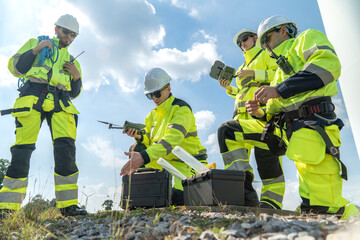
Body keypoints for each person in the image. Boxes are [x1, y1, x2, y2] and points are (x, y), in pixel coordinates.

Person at [222, 15, 359, 219]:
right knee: (229, 131)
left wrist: (279, 89)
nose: (265, 47)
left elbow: (328, 65)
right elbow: (275, 105)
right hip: (289, 133)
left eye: (266, 40)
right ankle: (245, 199)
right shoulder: (278, 70)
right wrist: (260, 111)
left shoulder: (306, 38)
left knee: (325, 210)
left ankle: (353, 217)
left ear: (282, 31)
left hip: (313, 128)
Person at [0, 14, 86, 217]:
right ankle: (8, 207)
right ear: (56, 29)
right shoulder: (35, 43)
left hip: (62, 104)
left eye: (74, 35)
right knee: (22, 150)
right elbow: (16, 68)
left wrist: (76, 76)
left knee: (66, 152)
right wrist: (36, 50)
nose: (70, 38)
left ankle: (68, 205)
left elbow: (75, 93)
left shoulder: (72, 60)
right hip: (32, 98)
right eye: (66, 32)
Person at [217, 30, 285, 209]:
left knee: (267, 158)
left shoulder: (266, 54)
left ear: (255, 37)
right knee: (237, 158)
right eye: (239, 42)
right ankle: (244, 196)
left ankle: (271, 203)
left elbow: (279, 75)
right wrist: (230, 89)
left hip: (265, 115)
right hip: (242, 118)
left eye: (244, 39)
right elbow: (242, 93)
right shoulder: (240, 68)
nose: (242, 43)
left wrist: (254, 73)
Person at [120, 67, 208, 204]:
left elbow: (171, 141)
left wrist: (143, 157)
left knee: (177, 199)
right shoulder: (151, 116)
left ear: (168, 88)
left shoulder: (181, 109)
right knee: (136, 147)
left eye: (157, 93)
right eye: (150, 95)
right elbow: (150, 142)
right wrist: (140, 137)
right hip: (165, 164)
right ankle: (142, 197)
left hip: (189, 163)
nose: (154, 98)